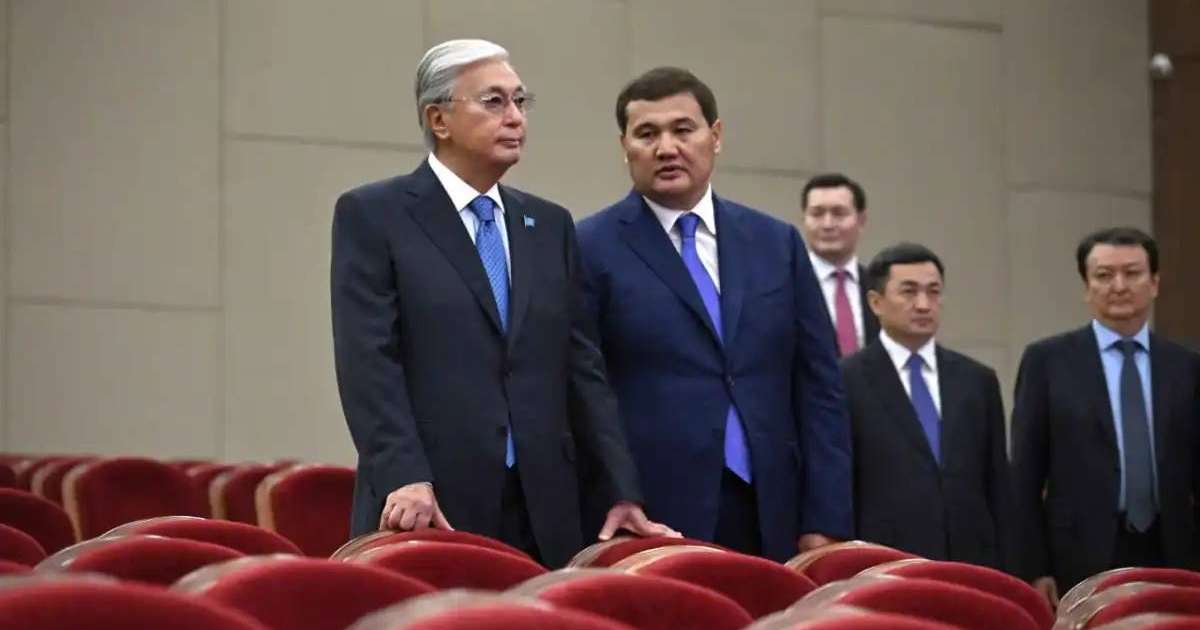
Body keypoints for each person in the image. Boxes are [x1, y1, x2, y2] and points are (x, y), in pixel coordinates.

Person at [330, 39, 674, 567]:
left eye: (520, 101)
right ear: (438, 119)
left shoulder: (549, 225)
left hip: (545, 507)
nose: (516, 118)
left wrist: (620, 488)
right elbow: (368, 363)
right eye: (494, 102)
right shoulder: (375, 216)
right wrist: (403, 475)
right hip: (430, 501)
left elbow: (582, 368)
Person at [575, 67, 852, 561]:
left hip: (774, 509)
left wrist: (826, 517)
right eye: (647, 134)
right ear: (624, 147)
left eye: (683, 130)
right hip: (653, 514)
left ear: (715, 136)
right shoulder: (588, 247)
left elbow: (820, 387)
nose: (666, 148)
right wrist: (618, 491)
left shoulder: (776, 243)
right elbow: (583, 388)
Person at [1012, 227, 1200, 602]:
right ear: (1086, 287)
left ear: (1155, 283)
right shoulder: (1047, 361)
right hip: (1079, 556)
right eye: (1103, 275)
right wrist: (1033, 566)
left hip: (1174, 552)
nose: (1119, 286)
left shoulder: (1187, 366)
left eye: (1132, 274)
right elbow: (1024, 474)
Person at [841, 243, 1014, 571]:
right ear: (875, 302)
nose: (923, 304)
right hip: (883, 561)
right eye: (909, 292)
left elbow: (998, 484)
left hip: (972, 560)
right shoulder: (845, 380)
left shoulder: (977, 380)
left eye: (933, 292)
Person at [800, 173, 878, 357]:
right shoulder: (785, 286)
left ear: (861, 220)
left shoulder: (879, 287)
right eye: (817, 214)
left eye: (839, 213)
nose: (827, 224)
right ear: (804, 219)